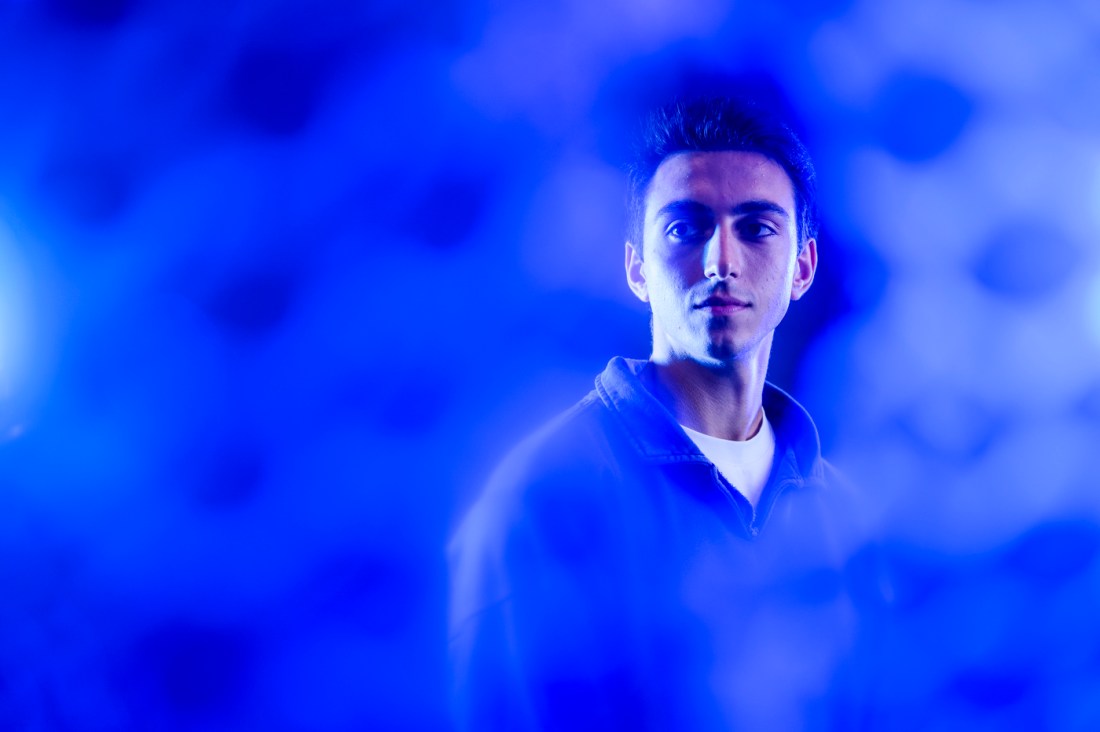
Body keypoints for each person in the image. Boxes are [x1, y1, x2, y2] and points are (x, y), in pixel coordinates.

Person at [449, 96, 872, 731]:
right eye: (685, 228)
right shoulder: (543, 500)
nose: (720, 262)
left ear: (803, 268)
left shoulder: (840, 513)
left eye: (757, 228)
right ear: (636, 268)